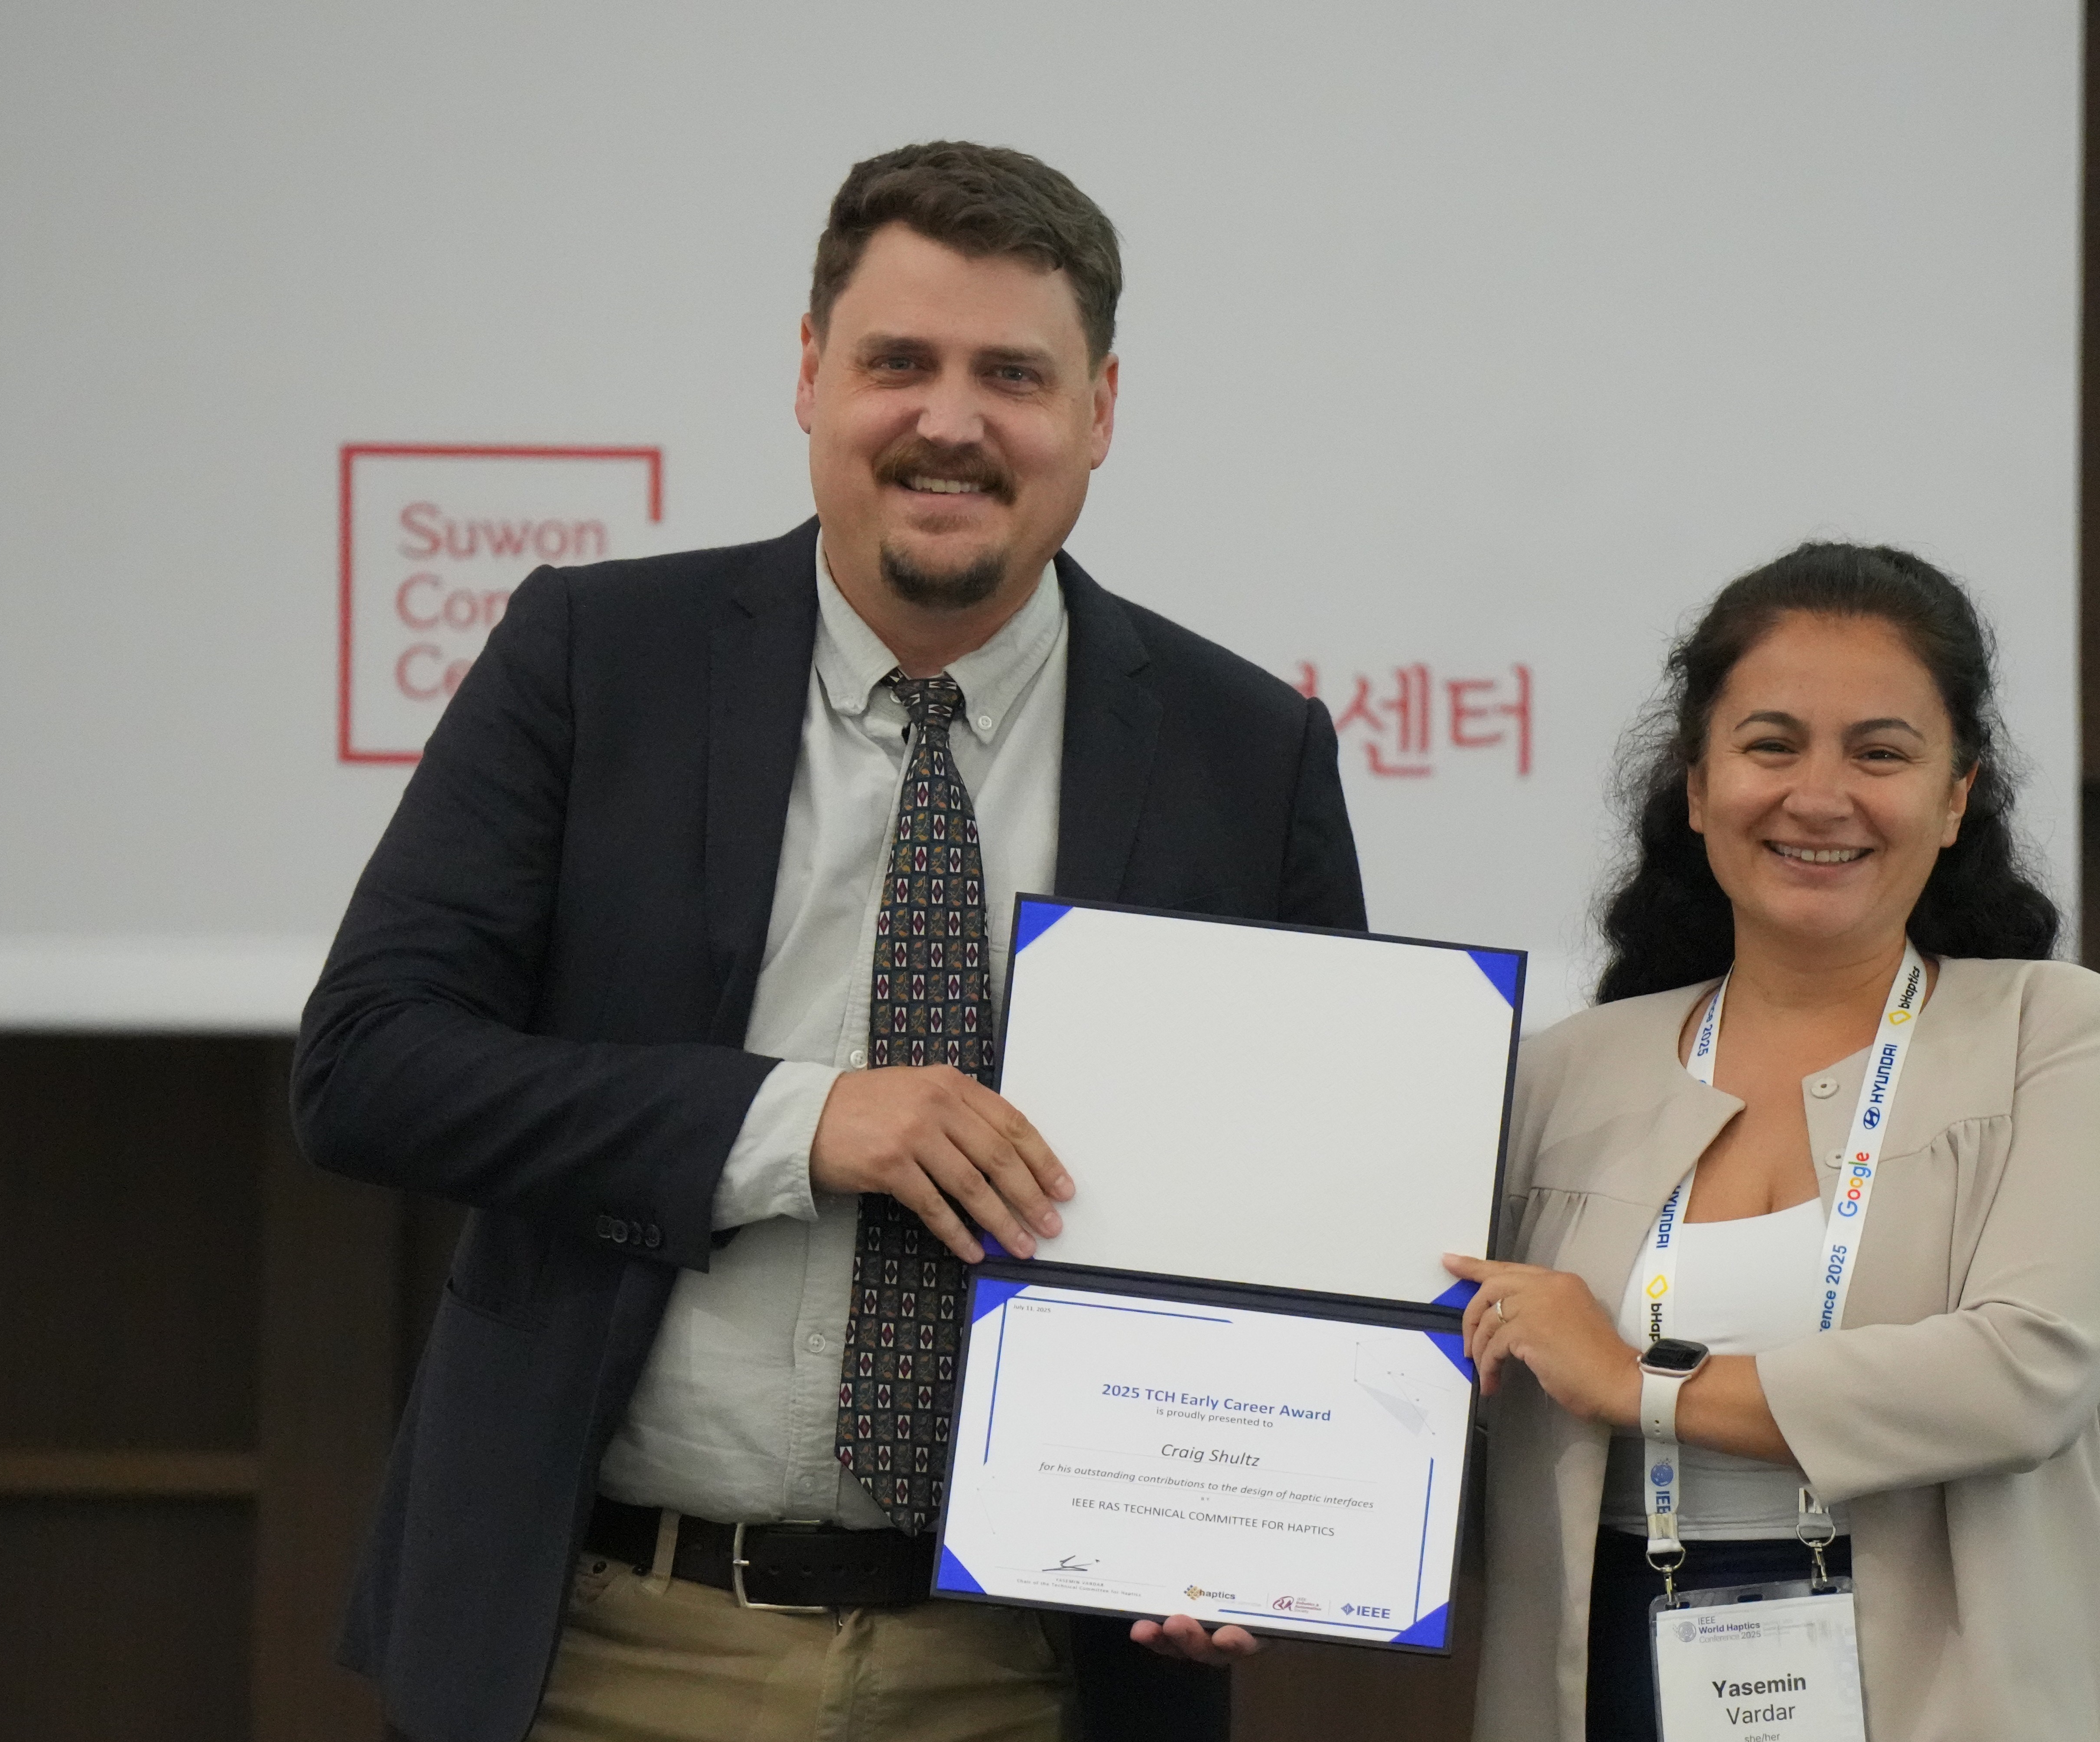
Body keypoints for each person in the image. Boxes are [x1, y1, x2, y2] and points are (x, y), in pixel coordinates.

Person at [293, 141, 1363, 1742]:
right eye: (898, 364)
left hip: (1028, 1676)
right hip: (606, 1648)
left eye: (1013, 372)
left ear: (1101, 410)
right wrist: (800, 1119)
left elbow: (1311, 1207)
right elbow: (369, 1065)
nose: (951, 420)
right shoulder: (596, 664)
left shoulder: (1244, 750)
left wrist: (1257, 1522)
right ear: (809, 376)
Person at [1444, 543, 2100, 1741]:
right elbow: (1460, 1406)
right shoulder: (1566, 1070)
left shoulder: (2062, 1034)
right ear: (1696, 784)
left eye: (1880, 751)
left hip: (1958, 1702)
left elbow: (2025, 1371)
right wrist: (1238, 1547)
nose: (1819, 794)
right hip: (1614, 1677)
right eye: (1771, 744)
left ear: (1956, 795)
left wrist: (1642, 1381)